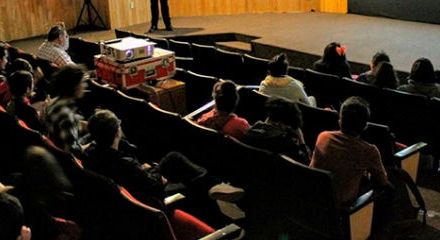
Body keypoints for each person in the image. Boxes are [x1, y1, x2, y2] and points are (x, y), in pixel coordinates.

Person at [84, 109, 244, 212]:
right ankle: (222, 227)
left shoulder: (91, 153)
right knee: (194, 183)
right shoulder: (125, 164)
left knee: (173, 157)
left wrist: (148, 169)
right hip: (148, 200)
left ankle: (213, 184)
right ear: (117, 132)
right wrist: (153, 170)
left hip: (131, 189)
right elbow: (153, 184)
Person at [310, 97, 390, 209]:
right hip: (343, 206)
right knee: (389, 189)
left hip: (315, 196)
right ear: (365, 126)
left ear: (340, 122)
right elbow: (382, 182)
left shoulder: (323, 136)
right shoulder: (369, 151)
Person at [242, 96, 311, 165]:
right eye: (286, 125)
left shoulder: (249, 131)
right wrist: (301, 139)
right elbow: (306, 163)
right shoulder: (285, 144)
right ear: (279, 123)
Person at [42, 64, 88, 153]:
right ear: (74, 86)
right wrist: (91, 145)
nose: (85, 86)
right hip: (68, 160)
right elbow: (74, 153)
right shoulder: (67, 116)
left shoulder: (53, 103)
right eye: (82, 82)